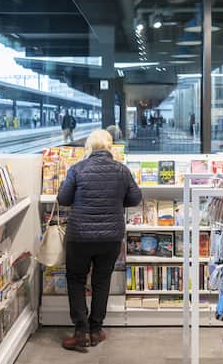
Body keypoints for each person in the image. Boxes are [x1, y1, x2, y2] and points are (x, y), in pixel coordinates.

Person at [57, 130, 142, 351]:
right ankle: (96, 330)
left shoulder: (77, 169)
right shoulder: (122, 170)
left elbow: (64, 199)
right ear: (110, 146)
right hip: (111, 237)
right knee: (101, 281)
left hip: (80, 237)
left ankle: (81, 332)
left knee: (76, 279)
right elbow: (135, 199)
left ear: (89, 147)